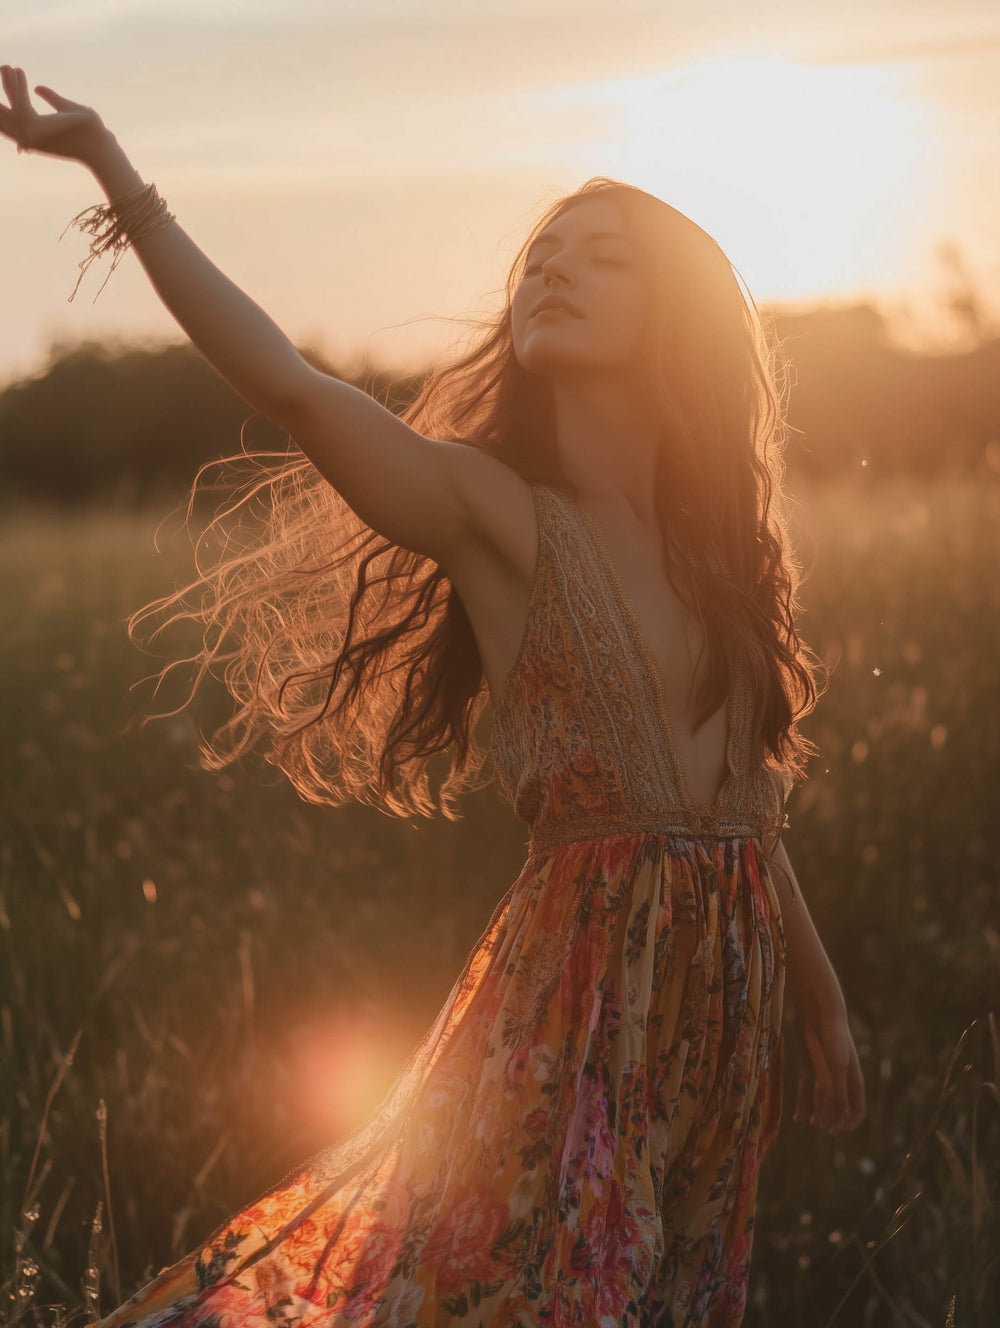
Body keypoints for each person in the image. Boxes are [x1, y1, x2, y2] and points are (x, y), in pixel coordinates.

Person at [1, 63, 866, 1328]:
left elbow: (744, 806)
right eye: (537, 257)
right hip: (566, 1022)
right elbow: (293, 386)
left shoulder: (718, 563)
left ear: (676, 313)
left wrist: (824, 996)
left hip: (707, 1038)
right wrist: (113, 173)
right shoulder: (496, 513)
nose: (552, 269)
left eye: (601, 256)